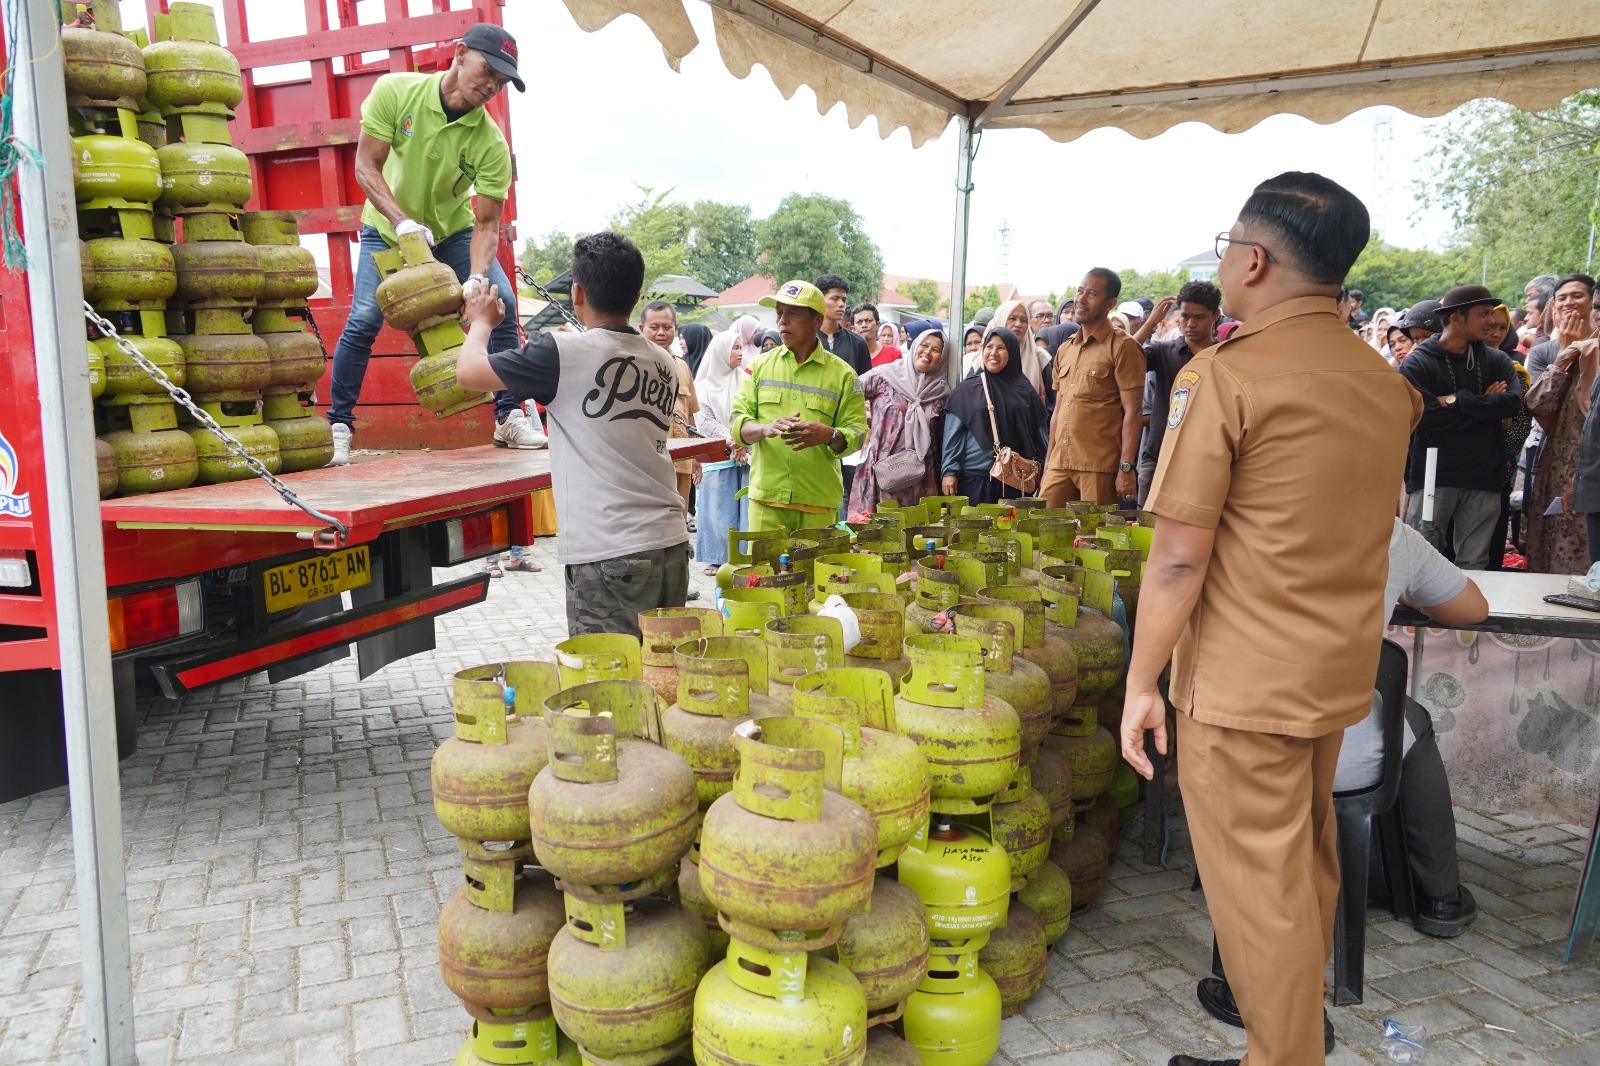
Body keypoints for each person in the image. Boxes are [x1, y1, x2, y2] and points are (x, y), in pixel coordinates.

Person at [1121, 172, 1421, 1066]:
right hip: (1332, 674)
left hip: (1243, 684)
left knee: (1261, 898)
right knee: (1303, 869)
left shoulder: (1227, 377)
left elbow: (1179, 555)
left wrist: (1142, 683)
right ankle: (1269, 1049)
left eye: (1226, 248)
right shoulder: (1383, 381)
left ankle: (1285, 1057)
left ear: (1253, 261)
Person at [1197, 518, 1488, 1037]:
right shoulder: (1390, 533)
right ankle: (1439, 894)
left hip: (1255, 748)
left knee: (1275, 824)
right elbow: (1472, 608)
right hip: (1347, 755)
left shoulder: (1245, 521)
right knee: (1409, 719)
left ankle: (1266, 992)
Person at [455, 231, 690, 639]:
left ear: (577, 292)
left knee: (609, 683)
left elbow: (468, 373)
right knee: (661, 675)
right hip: (670, 543)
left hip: (610, 551)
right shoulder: (664, 361)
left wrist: (480, 323)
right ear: (637, 297)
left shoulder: (563, 353)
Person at [326, 23, 540, 465]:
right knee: (364, 319)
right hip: (387, 229)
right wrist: (401, 221)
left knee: (502, 307)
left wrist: (477, 278)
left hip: (453, 233)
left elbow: (486, 223)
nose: (491, 86)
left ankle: (507, 416)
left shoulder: (490, 143)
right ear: (460, 53)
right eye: (488, 71)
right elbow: (366, 166)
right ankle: (339, 425)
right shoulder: (395, 92)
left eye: (501, 83)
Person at [1398, 284, 1523, 571]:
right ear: (1456, 317)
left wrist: (1457, 400)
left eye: (1491, 314)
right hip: (1433, 475)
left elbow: (1513, 404)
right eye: (1483, 314)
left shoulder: (1497, 360)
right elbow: (1424, 417)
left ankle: (1466, 618)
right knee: (1422, 561)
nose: (1492, 322)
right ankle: (1421, 618)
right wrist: (1483, 406)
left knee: (1474, 564)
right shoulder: (1418, 362)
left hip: (1484, 475)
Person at [729, 281, 867, 533]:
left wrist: (829, 435)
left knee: (819, 572)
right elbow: (738, 422)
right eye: (779, 313)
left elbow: (858, 433)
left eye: (792, 313)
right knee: (764, 573)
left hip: (818, 501)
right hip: (767, 500)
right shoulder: (758, 367)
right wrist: (765, 428)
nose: (782, 321)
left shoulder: (844, 375)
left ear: (816, 321)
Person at [1041, 269, 1146, 506]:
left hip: (1099, 467)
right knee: (1043, 531)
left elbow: (1133, 413)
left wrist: (1126, 467)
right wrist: (1048, 462)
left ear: (1110, 303)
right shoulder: (1065, 349)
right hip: (1060, 463)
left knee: (1094, 538)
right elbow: (1058, 410)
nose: (1081, 299)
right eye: (1080, 291)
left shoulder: (1123, 347)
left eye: (1092, 293)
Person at [1525, 276, 1600, 574]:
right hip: (1558, 455)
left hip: (1591, 459)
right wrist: (1565, 355)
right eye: (1563, 297)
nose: (1570, 303)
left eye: (1578, 296)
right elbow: (1540, 407)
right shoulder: (1547, 351)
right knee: (1551, 541)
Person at [941, 327, 1049, 505]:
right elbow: (953, 435)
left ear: (1012, 352)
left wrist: (1043, 470)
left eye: (1001, 348)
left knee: (1011, 530)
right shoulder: (967, 389)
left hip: (1016, 478)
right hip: (975, 478)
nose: (993, 353)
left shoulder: (1025, 390)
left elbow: (1039, 434)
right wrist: (949, 472)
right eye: (989, 347)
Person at [848, 328, 950, 512]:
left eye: (936, 350)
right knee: (875, 533)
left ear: (942, 358)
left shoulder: (941, 392)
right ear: (915, 346)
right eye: (924, 345)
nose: (927, 352)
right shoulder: (885, 376)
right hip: (881, 474)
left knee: (916, 534)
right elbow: (849, 388)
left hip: (921, 479)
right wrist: (862, 421)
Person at [1138, 281, 1221, 504]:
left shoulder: (1225, 355)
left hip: (1207, 456)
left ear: (1215, 315)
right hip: (1159, 452)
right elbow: (1123, 359)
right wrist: (1151, 322)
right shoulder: (1163, 351)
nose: (1190, 324)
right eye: (1185, 317)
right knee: (1147, 528)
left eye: (1199, 317)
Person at [693, 329, 751, 572]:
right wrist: (732, 437)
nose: (740, 352)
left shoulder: (747, 381)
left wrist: (743, 439)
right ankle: (717, 557)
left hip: (746, 454)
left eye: (741, 347)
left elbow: (753, 412)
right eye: (734, 348)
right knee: (718, 510)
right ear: (720, 352)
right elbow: (703, 421)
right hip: (718, 456)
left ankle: (742, 557)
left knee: (744, 510)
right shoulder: (703, 387)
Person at [643, 305, 705, 523]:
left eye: (667, 327)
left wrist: (696, 456)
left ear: (675, 329)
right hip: (646, 461)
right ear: (642, 328)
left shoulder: (682, 367)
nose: (661, 332)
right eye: (654, 327)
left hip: (681, 460)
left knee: (678, 523)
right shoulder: (632, 364)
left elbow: (689, 415)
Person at [991, 299, 1047, 396]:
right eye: (1012, 318)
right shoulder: (985, 358)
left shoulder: (1040, 356)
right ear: (1000, 320)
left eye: (1024, 320)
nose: (1018, 324)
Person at [853, 302, 902, 368]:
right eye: (859, 322)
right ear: (853, 328)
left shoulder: (894, 354)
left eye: (869, 320)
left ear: (878, 325)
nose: (864, 325)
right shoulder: (848, 356)